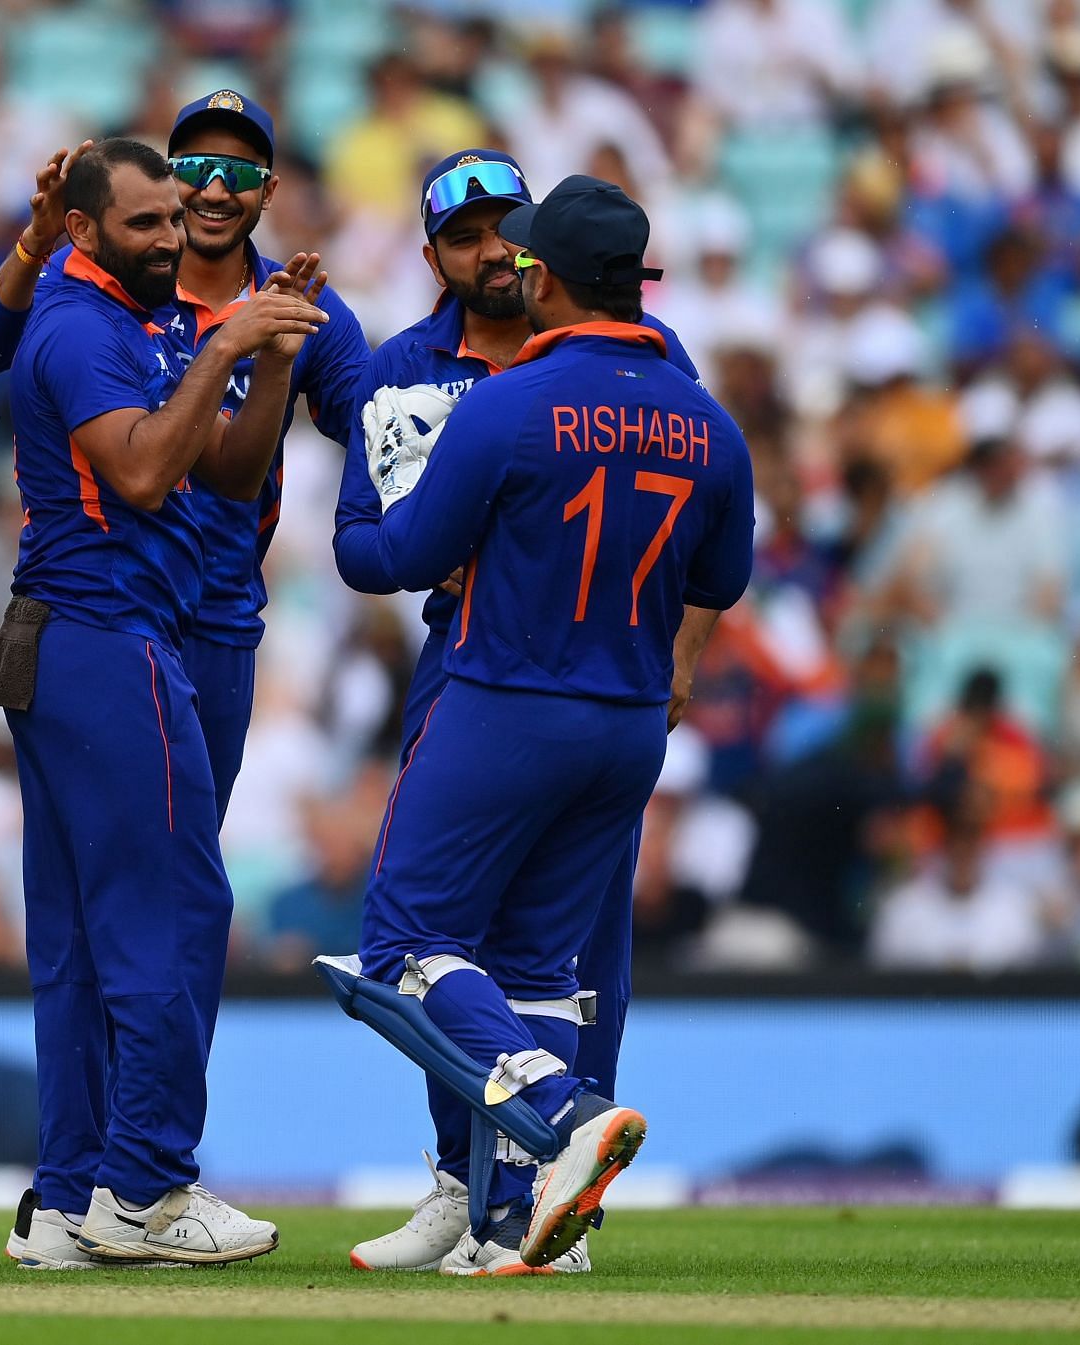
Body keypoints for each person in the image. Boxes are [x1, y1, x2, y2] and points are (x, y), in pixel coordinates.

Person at [339, 175, 753, 1273]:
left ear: (547, 278)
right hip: (629, 719)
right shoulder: (708, 420)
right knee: (537, 964)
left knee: (404, 945)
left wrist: (365, 516)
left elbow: (397, 558)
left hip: (505, 698)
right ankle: (527, 1223)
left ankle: (566, 1120)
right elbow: (724, 572)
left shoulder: (507, 404)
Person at [0, 137, 325, 1267]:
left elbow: (226, 471)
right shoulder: (81, 324)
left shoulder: (136, 317)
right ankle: (147, 1186)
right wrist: (226, 337)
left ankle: (74, 1194)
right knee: (177, 905)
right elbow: (138, 473)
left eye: (175, 220)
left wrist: (265, 351)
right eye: (145, 224)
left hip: (97, 637)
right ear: (84, 232)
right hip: (105, 636)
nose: (172, 239)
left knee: (85, 931)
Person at [0, 91, 370, 817]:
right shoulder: (114, 281)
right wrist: (38, 237)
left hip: (219, 615)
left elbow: (372, 432)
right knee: (114, 864)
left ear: (270, 190)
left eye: (240, 171)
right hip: (105, 608)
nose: (215, 189)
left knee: (179, 858)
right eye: (197, 166)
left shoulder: (300, 304)